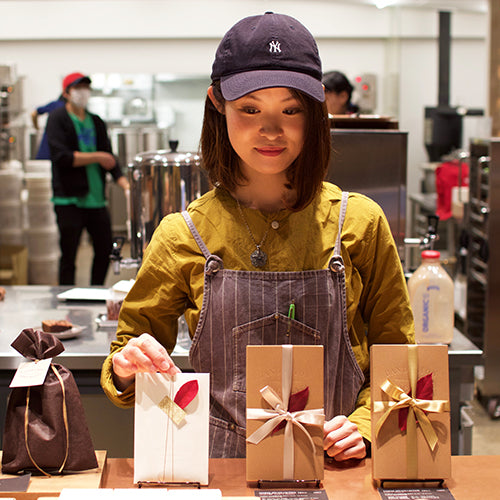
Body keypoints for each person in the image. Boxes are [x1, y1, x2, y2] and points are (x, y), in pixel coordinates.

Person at [101, 12, 414, 462]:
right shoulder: (182, 235)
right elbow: (122, 365)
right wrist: (131, 366)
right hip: (222, 469)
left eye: (290, 110)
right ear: (217, 103)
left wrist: (364, 426)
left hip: (335, 468)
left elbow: (398, 356)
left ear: (316, 112)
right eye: (249, 109)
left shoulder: (359, 223)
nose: (271, 130)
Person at [46, 72, 129, 286]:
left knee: (104, 249)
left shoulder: (96, 122)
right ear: (66, 93)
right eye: (78, 88)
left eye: (86, 88)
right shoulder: (57, 119)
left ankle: (95, 291)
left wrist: (125, 184)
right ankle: (65, 294)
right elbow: (61, 157)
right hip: (68, 199)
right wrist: (97, 157)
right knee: (69, 254)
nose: (83, 93)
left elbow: (109, 158)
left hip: (96, 199)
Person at [31, 94, 65, 160]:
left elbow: (33, 114)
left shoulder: (54, 105)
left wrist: (36, 127)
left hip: (48, 148)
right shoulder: (70, 108)